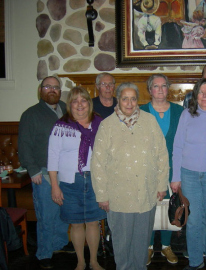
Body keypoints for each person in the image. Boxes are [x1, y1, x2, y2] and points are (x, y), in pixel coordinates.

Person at [91, 82, 169, 270]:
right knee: (122, 243)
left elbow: (162, 154)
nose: (129, 103)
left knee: (142, 243)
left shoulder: (150, 121)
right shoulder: (107, 125)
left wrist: (161, 185)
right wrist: (101, 195)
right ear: (118, 100)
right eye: (125, 98)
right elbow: (98, 163)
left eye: (133, 98)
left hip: (146, 193)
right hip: (119, 197)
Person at [48, 87, 106, 270]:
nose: (80, 104)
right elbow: (52, 157)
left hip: (96, 181)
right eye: (75, 101)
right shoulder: (61, 126)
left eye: (84, 100)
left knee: (93, 222)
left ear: (89, 103)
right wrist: (54, 186)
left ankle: (94, 261)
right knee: (76, 224)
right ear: (69, 105)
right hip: (70, 182)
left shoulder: (100, 123)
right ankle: (80, 261)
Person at [171, 78, 206, 270]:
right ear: (195, 95)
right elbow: (177, 147)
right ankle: (195, 262)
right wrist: (175, 177)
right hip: (189, 176)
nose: (204, 95)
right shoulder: (187, 114)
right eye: (201, 92)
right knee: (193, 221)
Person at [18, 76, 71, 269]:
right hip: (43, 172)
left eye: (56, 87)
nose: (52, 90)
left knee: (63, 213)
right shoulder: (31, 114)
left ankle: (59, 245)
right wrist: (32, 171)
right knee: (47, 216)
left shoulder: (67, 109)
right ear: (41, 90)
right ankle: (44, 253)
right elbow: (24, 146)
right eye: (48, 87)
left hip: (66, 172)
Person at [140, 74, 183, 265]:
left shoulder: (179, 111)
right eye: (155, 86)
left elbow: (184, 142)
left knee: (169, 207)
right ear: (149, 90)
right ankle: (148, 247)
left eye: (163, 86)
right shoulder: (140, 111)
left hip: (173, 168)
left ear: (168, 89)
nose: (159, 90)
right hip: (146, 169)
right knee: (148, 208)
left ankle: (166, 245)